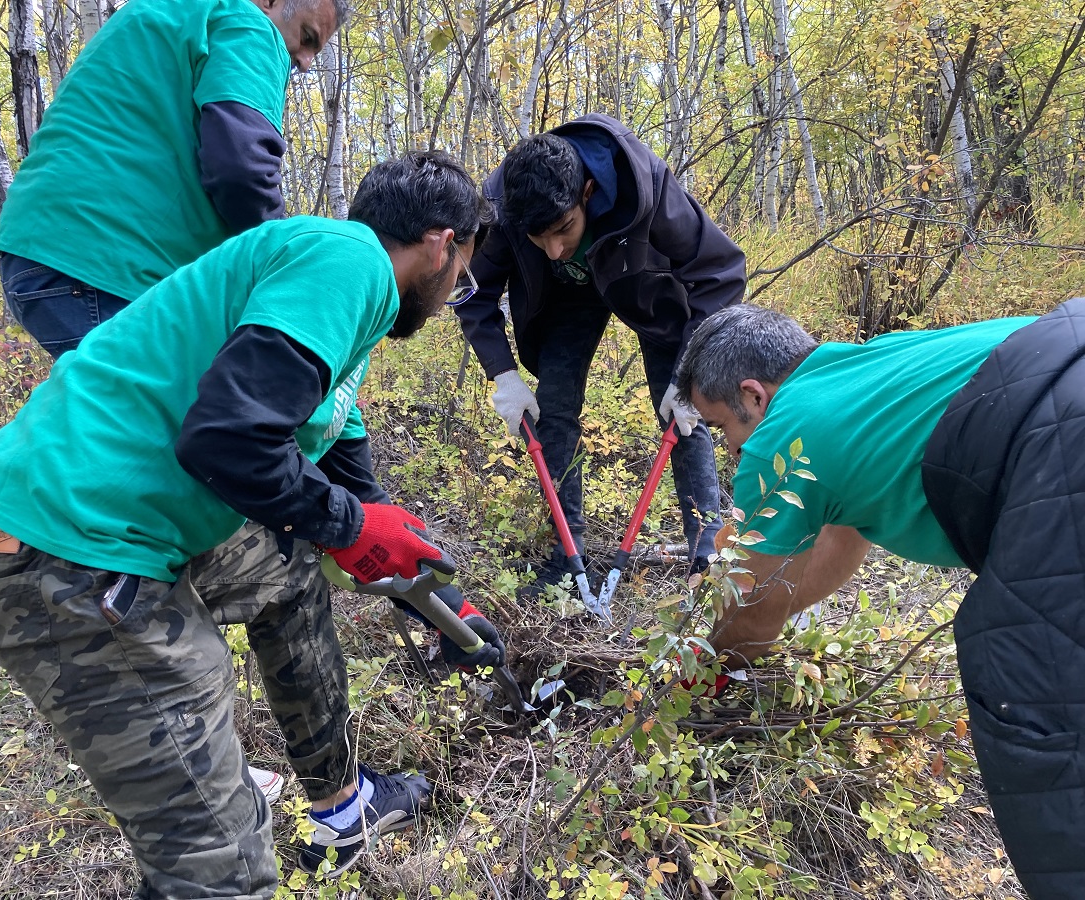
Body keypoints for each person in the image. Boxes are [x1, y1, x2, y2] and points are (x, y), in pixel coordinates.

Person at [0, 151, 501, 896]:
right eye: (462, 273)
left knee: (287, 568)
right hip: (64, 556)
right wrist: (345, 524)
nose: (450, 295)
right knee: (221, 866)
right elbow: (229, 439)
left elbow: (338, 450)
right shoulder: (351, 267)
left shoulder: (332, 284)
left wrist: (427, 593)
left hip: (99, 524)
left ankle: (343, 807)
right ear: (443, 242)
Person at [674, 300, 1085, 899]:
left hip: (1062, 445)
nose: (734, 449)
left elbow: (750, 609)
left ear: (754, 396)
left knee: (1026, 693)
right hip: (1066, 348)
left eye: (723, 429)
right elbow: (842, 537)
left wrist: (698, 664)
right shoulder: (864, 374)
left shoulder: (782, 435)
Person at [454, 113, 746, 590]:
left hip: (645, 288)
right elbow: (473, 291)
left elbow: (721, 269)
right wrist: (502, 374)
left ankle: (706, 555)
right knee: (554, 406)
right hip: (563, 300)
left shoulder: (642, 183)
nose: (553, 248)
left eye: (564, 228)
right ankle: (564, 563)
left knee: (683, 409)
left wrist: (691, 368)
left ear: (587, 191)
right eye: (538, 238)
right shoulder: (503, 207)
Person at [0, 0, 346, 358]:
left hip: (40, 247)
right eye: (307, 38)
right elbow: (242, 170)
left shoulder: (159, 12)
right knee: (171, 412)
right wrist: (285, 261)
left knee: (111, 409)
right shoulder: (246, 22)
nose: (305, 61)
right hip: (107, 264)